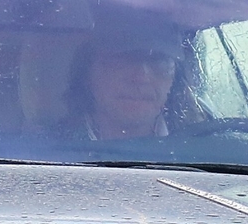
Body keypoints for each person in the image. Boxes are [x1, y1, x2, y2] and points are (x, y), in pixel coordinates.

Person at [63, 13, 196, 141]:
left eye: (159, 61)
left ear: (175, 79)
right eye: (123, 60)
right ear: (87, 73)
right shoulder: (51, 151)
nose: (141, 77)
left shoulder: (202, 146)